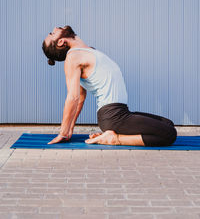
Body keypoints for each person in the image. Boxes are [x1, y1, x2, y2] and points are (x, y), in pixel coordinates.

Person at [42, 25, 177, 146]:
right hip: (113, 116)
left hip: (121, 112)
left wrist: (70, 129)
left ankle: (112, 134)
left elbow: (81, 98)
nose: (54, 28)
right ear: (61, 42)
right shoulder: (73, 57)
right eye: (52, 33)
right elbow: (73, 97)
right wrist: (64, 132)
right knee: (169, 134)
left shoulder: (88, 51)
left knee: (167, 124)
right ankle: (115, 139)